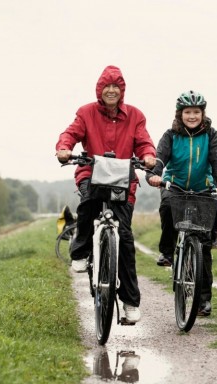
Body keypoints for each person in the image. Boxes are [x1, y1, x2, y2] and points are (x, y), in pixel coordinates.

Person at [55, 65, 157, 323]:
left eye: (116, 87)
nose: (111, 91)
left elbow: (144, 141)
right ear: (99, 90)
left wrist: (148, 155)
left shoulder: (135, 115)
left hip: (122, 178)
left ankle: (130, 303)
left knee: (124, 237)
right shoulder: (86, 112)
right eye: (106, 86)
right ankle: (79, 253)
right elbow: (71, 133)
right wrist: (64, 147)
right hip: (91, 172)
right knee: (88, 204)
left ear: (122, 91)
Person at [147, 90, 217, 316]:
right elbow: (159, 157)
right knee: (166, 206)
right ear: (180, 114)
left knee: (204, 246)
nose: (192, 116)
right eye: (188, 112)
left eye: (196, 112)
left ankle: (204, 300)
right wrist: (154, 174)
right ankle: (167, 251)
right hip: (174, 186)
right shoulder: (170, 135)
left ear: (202, 114)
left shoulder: (210, 135)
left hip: (203, 186)